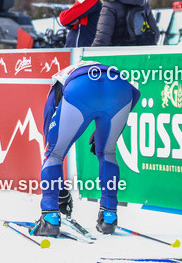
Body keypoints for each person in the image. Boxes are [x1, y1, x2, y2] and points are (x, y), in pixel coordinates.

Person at [29, 61, 140, 237]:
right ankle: (109, 216)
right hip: (120, 88)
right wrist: (102, 130)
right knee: (108, 152)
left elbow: (50, 114)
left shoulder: (58, 80)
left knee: (54, 154)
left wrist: (50, 148)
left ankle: (49, 218)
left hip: (82, 88)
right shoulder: (85, 68)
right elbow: (134, 92)